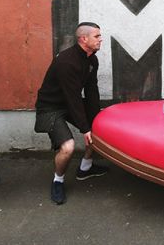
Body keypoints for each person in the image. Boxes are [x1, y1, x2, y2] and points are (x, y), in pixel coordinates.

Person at [34, 22, 108, 205]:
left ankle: (85, 168)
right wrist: (84, 128)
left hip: (69, 103)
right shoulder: (67, 62)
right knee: (67, 148)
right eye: (97, 36)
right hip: (50, 107)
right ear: (84, 39)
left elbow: (91, 90)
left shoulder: (92, 58)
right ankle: (57, 181)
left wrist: (95, 118)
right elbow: (73, 97)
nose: (101, 39)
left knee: (98, 129)